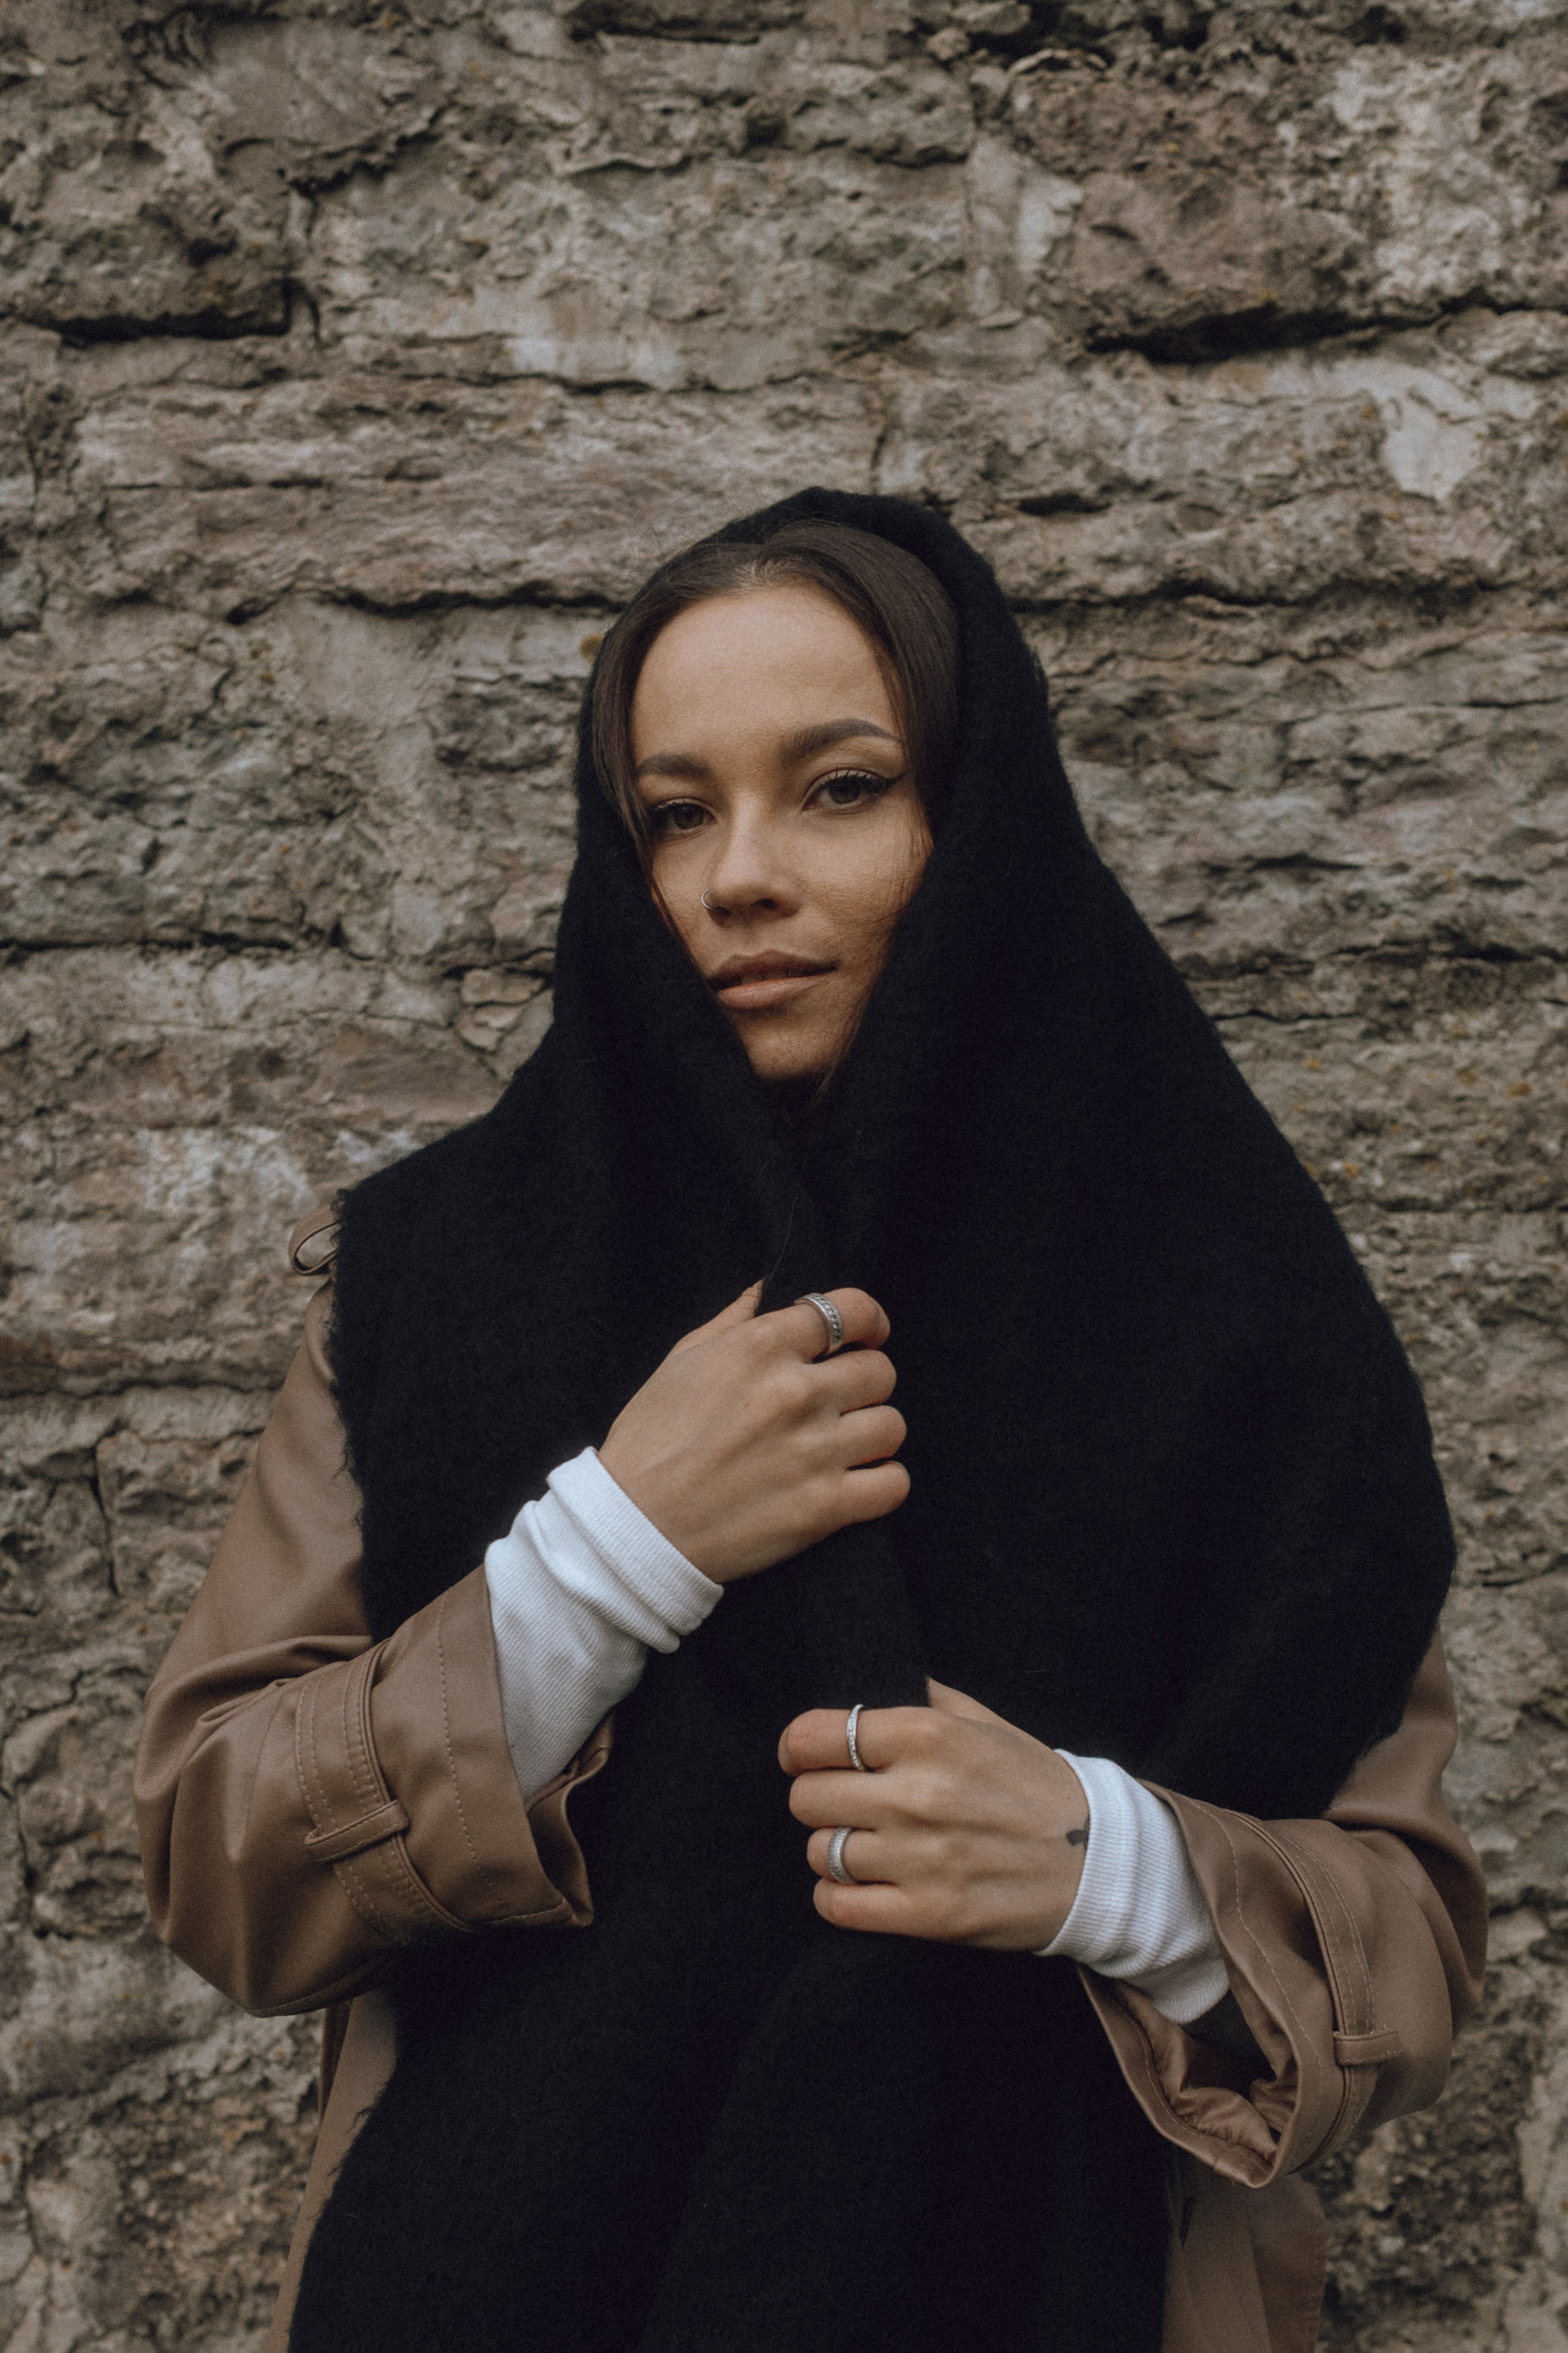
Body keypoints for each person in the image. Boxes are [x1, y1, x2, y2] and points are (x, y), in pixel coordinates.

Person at [136, 492, 1486, 2353]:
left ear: (975, 818)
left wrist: (1108, 1865)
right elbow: (222, 1864)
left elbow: (1408, 1946)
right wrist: (606, 1553)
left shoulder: (1229, 1301)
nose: (739, 877)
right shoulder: (439, 1277)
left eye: (840, 788)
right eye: (675, 813)